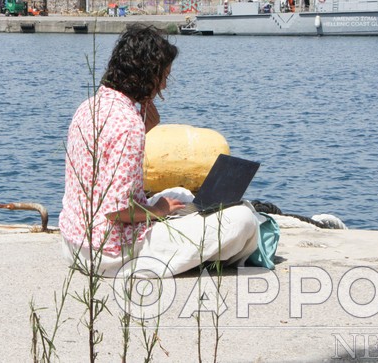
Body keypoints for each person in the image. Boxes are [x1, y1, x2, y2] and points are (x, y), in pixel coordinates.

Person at [59, 25, 261, 278]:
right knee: (243, 219)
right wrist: (158, 212)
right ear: (147, 75)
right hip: (109, 252)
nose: (164, 86)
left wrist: (144, 130)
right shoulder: (127, 124)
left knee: (182, 195)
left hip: (76, 242)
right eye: (164, 76)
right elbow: (115, 210)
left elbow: (104, 177)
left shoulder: (89, 106)